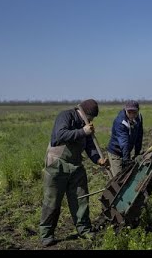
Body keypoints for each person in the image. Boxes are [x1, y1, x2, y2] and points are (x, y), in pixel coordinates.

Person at [39, 99, 107, 247]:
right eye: (89, 118)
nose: (90, 121)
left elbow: (89, 146)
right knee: (52, 200)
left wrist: (98, 160)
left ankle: (84, 229)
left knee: (81, 198)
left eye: (92, 119)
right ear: (82, 112)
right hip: (57, 164)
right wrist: (83, 131)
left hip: (76, 165)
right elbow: (60, 135)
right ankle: (46, 234)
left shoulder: (86, 125)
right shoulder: (66, 116)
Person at [107, 100, 143, 178]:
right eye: (129, 112)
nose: (132, 115)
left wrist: (137, 153)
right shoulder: (120, 122)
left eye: (134, 112)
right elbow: (124, 142)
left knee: (127, 176)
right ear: (125, 110)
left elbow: (139, 136)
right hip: (115, 152)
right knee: (119, 178)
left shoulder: (139, 118)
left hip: (126, 150)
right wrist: (126, 160)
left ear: (138, 111)